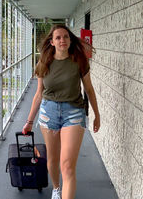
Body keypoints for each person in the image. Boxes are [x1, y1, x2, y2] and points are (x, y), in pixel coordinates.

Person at [22, 24, 100, 199]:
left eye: (65, 37)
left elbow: (89, 89)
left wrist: (96, 114)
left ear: (70, 40)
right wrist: (29, 121)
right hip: (48, 113)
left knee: (67, 166)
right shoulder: (44, 62)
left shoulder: (79, 60)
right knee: (52, 160)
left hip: (73, 113)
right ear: (52, 42)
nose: (62, 40)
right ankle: (56, 189)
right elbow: (38, 94)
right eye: (58, 37)